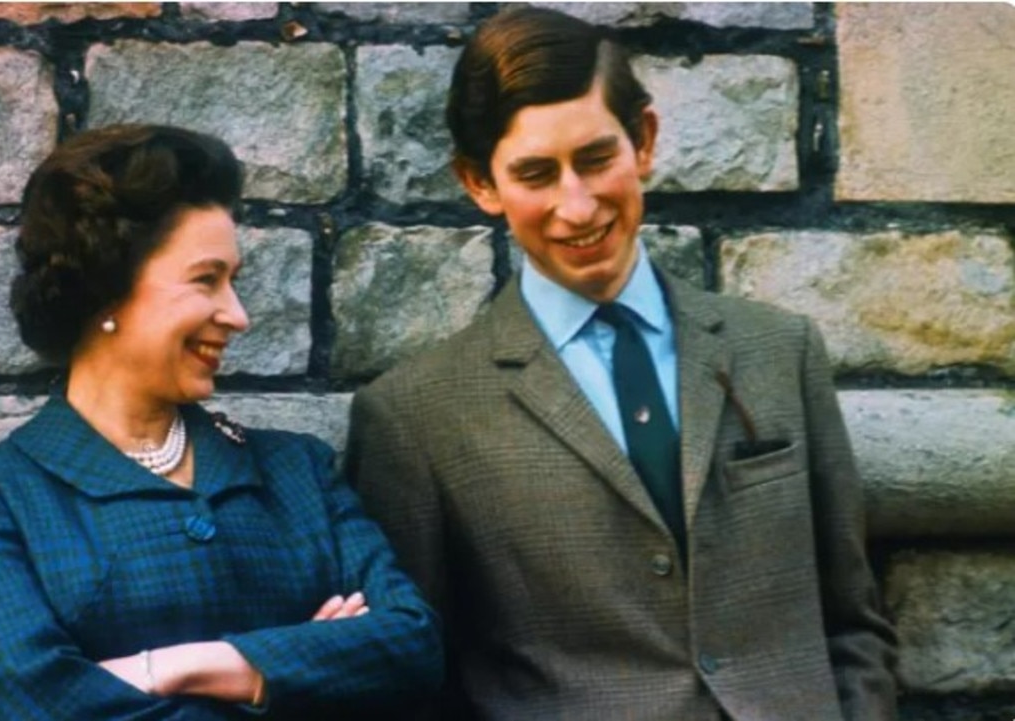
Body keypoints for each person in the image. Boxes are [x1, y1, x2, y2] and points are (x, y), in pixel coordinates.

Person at [344, 7, 897, 720]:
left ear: (644, 140)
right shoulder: (415, 417)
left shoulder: (779, 349)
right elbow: (412, 678)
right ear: (481, 184)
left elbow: (853, 619)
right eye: (536, 174)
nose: (577, 206)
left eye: (596, 159)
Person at [0, 124, 442, 720]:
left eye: (234, 281)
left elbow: (414, 647)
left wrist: (181, 666)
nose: (238, 315)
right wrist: (305, 671)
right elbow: (36, 708)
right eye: (207, 279)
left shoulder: (298, 469)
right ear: (108, 289)